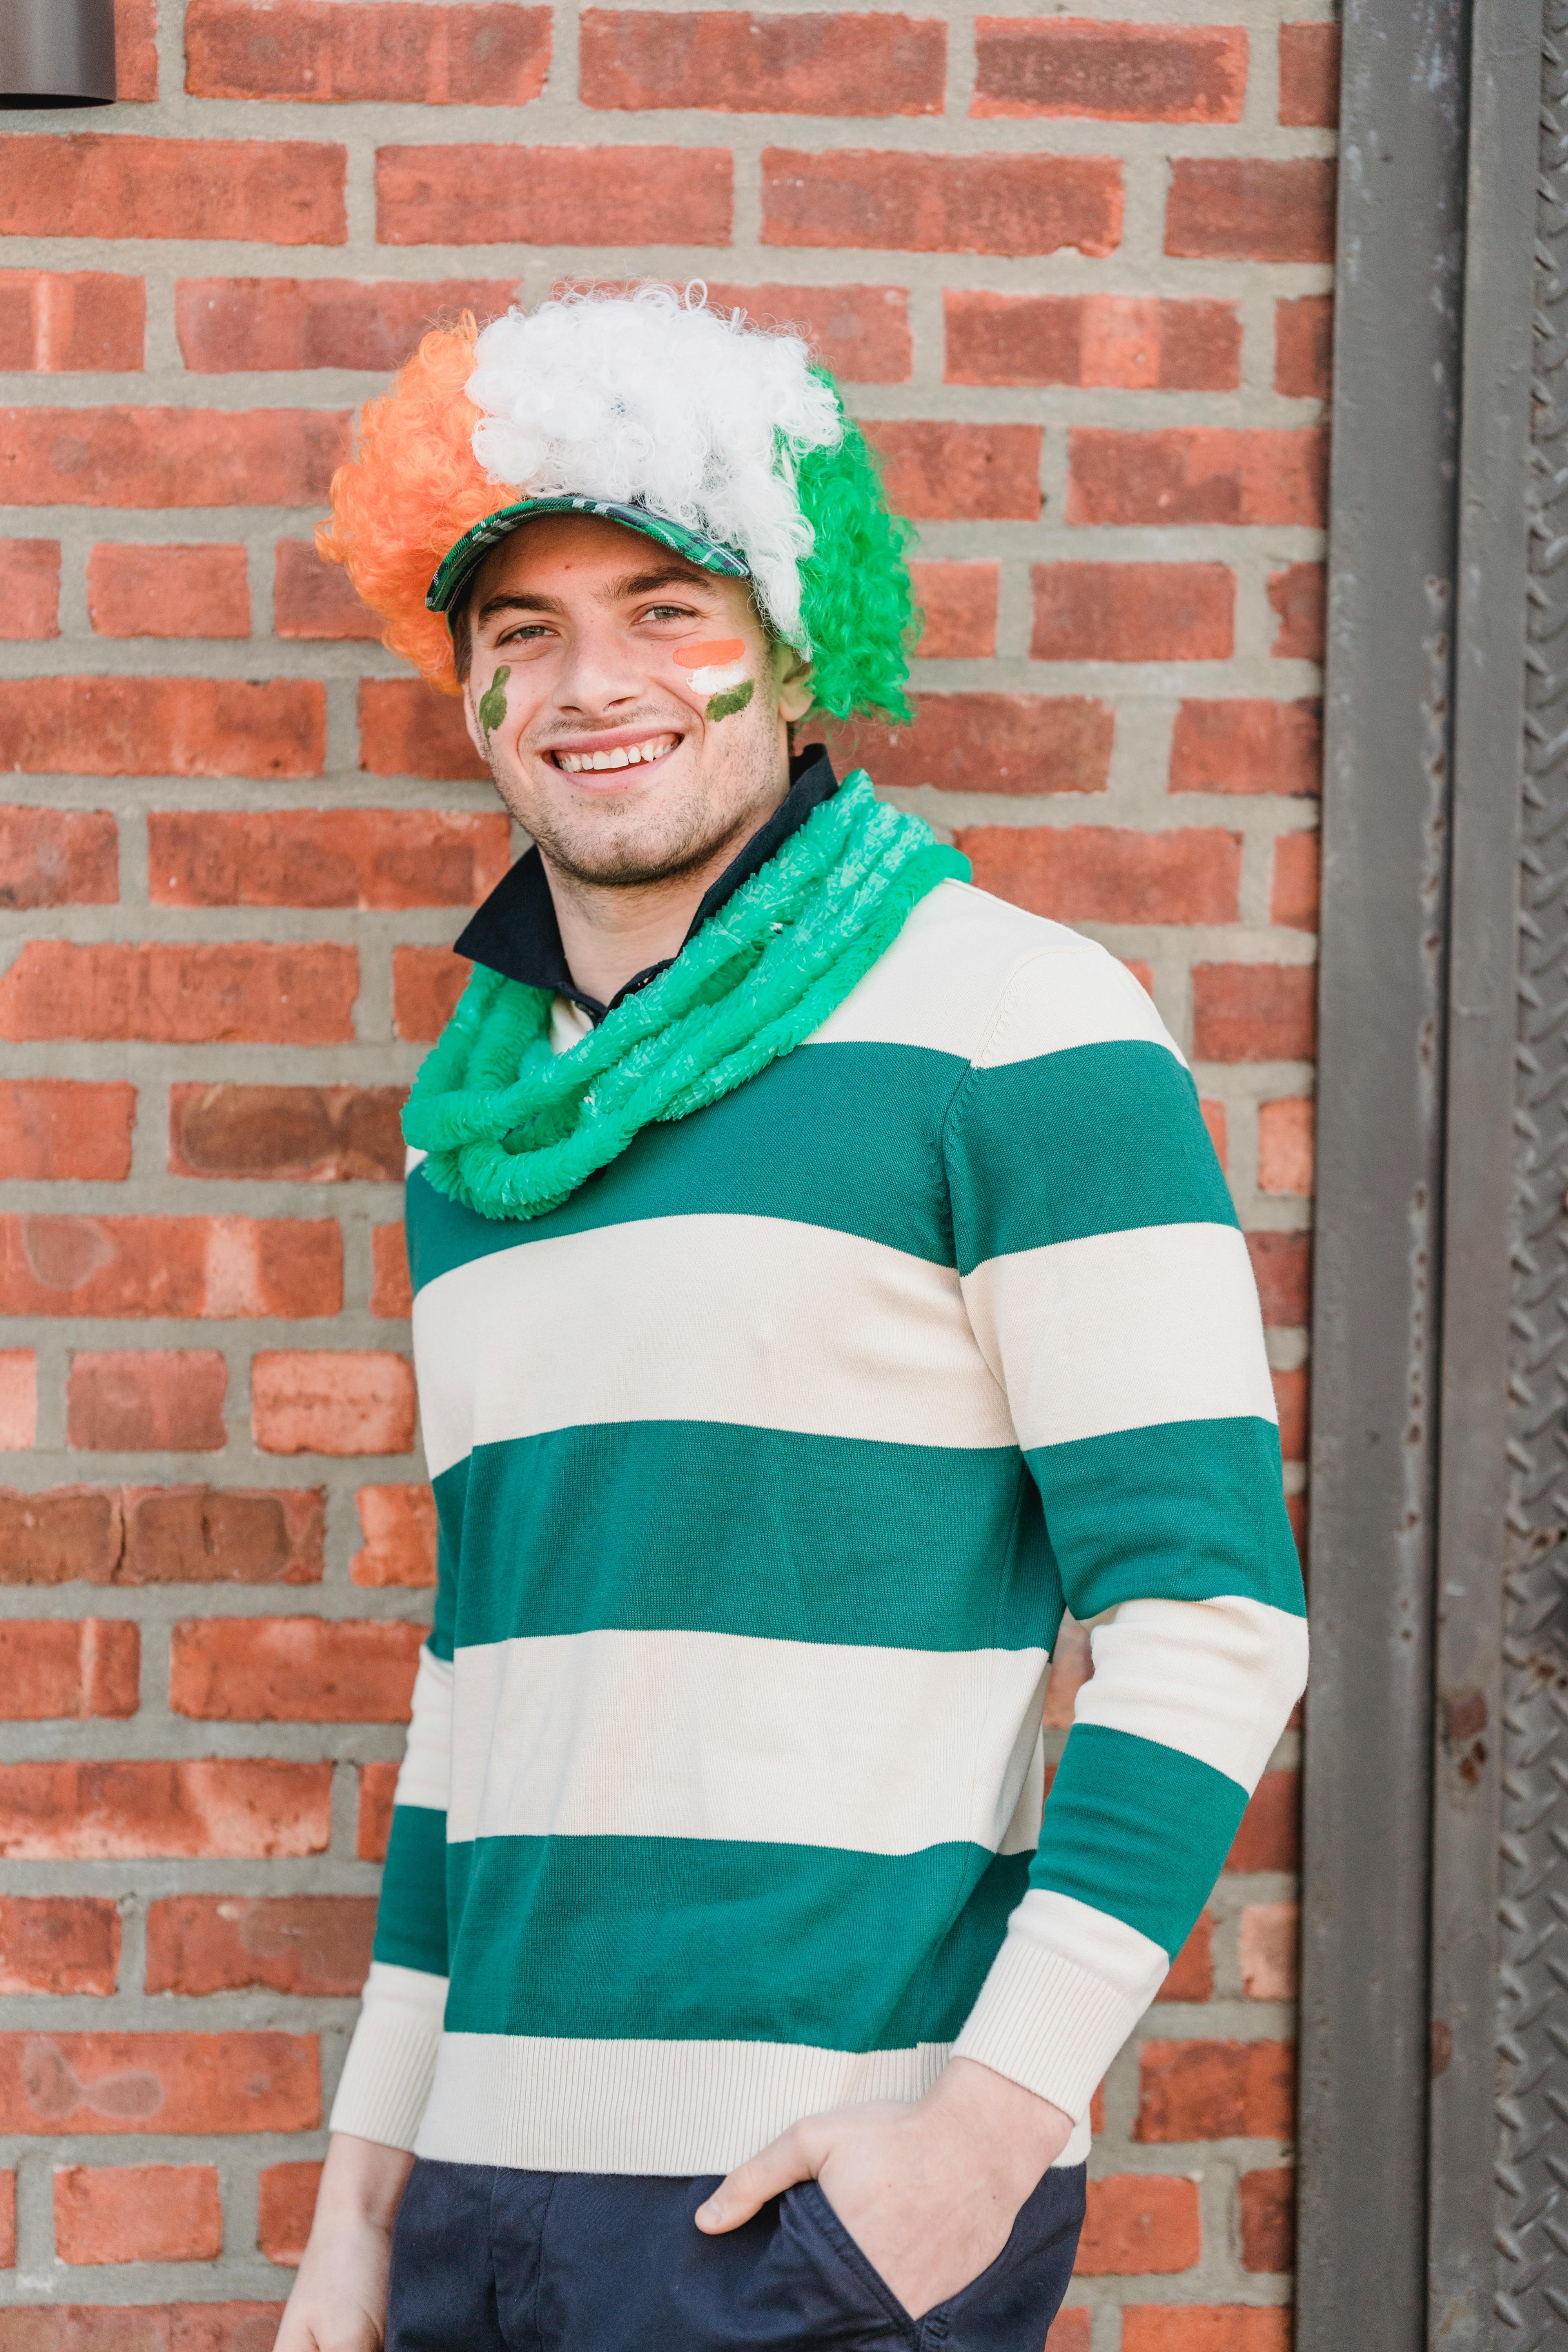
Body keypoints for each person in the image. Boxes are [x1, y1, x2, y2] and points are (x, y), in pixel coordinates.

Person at [276, 284, 1307, 2352]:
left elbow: (1212, 1621)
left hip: (808, 2197)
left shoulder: (1017, 1026)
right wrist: (358, 2214)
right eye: (526, 633)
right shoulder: (482, 1133)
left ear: (797, 638)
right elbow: (480, 1685)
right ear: (465, 687)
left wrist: (991, 2134)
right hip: (481, 2202)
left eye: (670, 608)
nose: (597, 682)